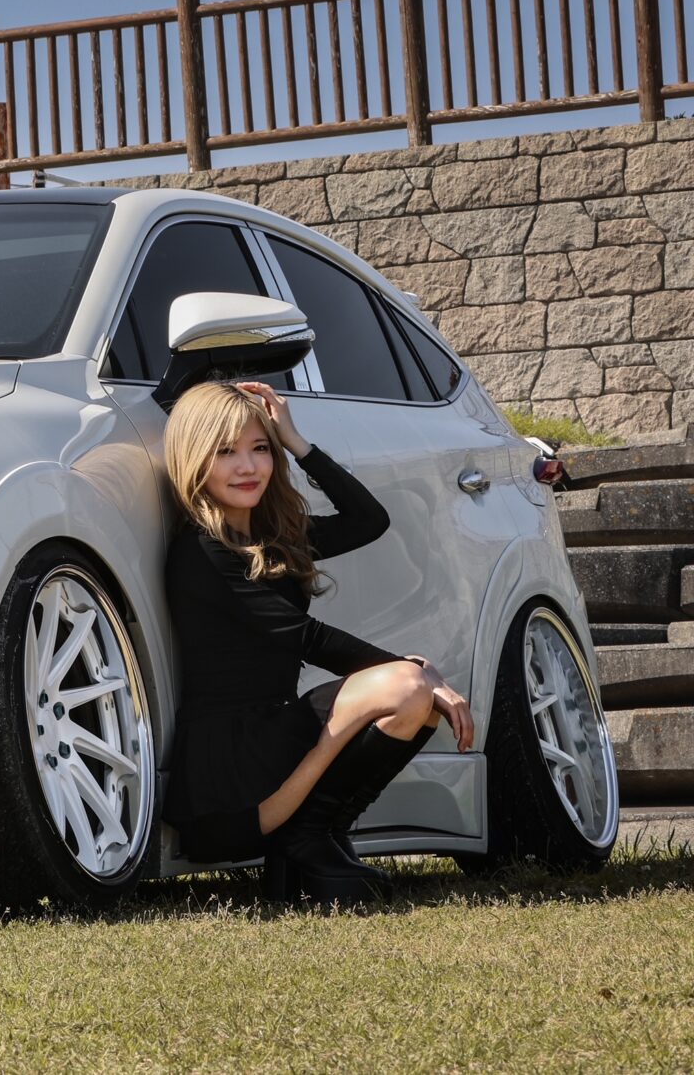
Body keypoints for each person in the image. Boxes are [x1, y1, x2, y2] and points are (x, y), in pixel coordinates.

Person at [160, 380, 474, 906]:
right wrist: (416, 672)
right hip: (231, 776)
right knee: (408, 687)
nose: (248, 467)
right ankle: (304, 839)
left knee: (416, 702)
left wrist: (297, 442)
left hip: (276, 736)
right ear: (194, 459)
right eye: (226, 452)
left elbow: (369, 521)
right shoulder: (201, 551)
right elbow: (306, 638)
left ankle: (318, 837)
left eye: (261, 448)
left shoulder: (275, 538)